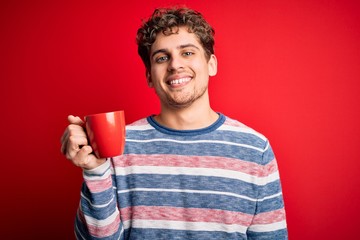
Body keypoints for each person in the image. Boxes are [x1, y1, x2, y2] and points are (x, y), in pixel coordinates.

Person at [61, 6, 288, 240]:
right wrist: (95, 170)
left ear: (211, 64)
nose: (175, 65)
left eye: (187, 53)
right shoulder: (119, 146)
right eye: (162, 57)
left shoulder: (255, 149)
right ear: (149, 76)